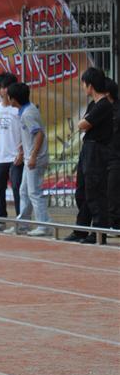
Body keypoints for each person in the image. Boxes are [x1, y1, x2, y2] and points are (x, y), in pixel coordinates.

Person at [64, 68, 112, 244]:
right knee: (82, 191)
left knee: (95, 191)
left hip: (98, 151)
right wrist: (84, 123)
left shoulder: (104, 105)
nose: (83, 87)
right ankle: (81, 230)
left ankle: (99, 232)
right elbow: (84, 123)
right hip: (88, 149)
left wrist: (84, 123)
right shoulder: (93, 105)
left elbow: (83, 124)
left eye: (84, 84)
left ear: (90, 85)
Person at [6, 82, 51, 237]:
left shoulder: (28, 114)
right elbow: (30, 135)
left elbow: (39, 134)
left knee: (34, 192)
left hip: (35, 159)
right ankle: (23, 224)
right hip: (29, 158)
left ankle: (44, 225)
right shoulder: (25, 110)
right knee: (24, 191)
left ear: (13, 99)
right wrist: (22, 150)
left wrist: (32, 156)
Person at [0, 72, 23, 232]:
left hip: (16, 156)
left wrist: (21, 153)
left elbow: (25, 133)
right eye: (2, 87)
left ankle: (21, 221)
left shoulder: (19, 109)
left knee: (17, 189)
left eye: (8, 87)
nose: (5, 90)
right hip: (1, 156)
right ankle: (0, 219)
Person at [105, 78, 120, 231]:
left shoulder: (116, 111)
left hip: (115, 156)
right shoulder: (104, 109)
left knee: (113, 192)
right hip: (106, 156)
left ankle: (115, 225)